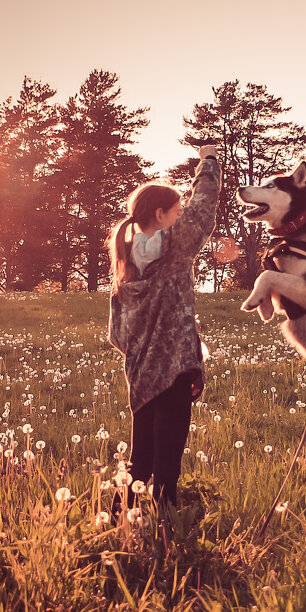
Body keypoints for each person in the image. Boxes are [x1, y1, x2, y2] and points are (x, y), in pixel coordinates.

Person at [107, 145, 222, 525]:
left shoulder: (124, 268)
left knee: (142, 455)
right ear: (161, 215)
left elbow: (117, 335)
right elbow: (203, 208)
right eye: (175, 212)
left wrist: (142, 352)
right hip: (175, 371)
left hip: (141, 376)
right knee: (169, 456)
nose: (180, 217)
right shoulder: (175, 248)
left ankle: (116, 519)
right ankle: (167, 525)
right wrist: (207, 161)